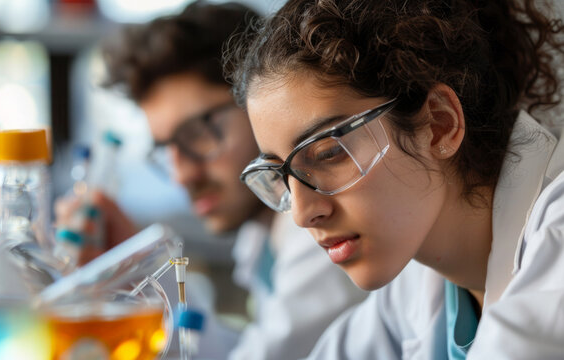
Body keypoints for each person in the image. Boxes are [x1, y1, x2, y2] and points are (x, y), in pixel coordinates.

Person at [227, 0, 564, 358]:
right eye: (281, 174)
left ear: (439, 125)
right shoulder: (412, 293)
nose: (301, 213)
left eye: (329, 153)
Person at [57, 1, 367, 359]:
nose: (182, 175)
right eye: (166, 150)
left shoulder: (316, 228)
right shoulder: (263, 233)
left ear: (261, 103)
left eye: (198, 133)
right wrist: (137, 269)